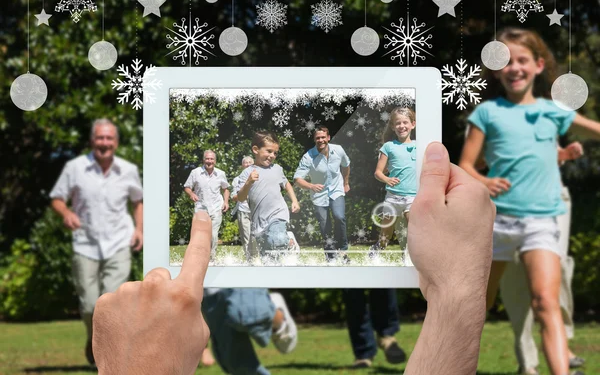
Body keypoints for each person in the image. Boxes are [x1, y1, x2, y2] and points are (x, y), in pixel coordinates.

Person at [92, 142, 496, 375]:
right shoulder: (227, 175)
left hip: (266, 223)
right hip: (228, 230)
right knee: (228, 331)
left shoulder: (281, 167)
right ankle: (270, 310)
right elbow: (245, 195)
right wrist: (455, 294)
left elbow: (287, 184)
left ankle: (272, 308)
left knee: (241, 288)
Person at [459, 27, 600, 375]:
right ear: (495, 69)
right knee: (480, 304)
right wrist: (483, 179)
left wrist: (562, 155)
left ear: (538, 66)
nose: (514, 68)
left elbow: (590, 131)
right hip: (498, 224)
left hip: (542, 222)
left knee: (546, 303)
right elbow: (464, 166)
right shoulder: (487, 114)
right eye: (505, 61)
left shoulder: (554, 111)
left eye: (522, 60)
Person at [49, 118, 143, 366]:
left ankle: (108, 356)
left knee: (110, 303)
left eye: (109, 138)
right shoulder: (75, 167)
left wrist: (140, 230)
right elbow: (57, 198)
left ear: (116, 142)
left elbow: (138, 201)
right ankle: (93, 338)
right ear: (92, 141)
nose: (104, 143)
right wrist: (66, 213)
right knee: (90, 304)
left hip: (119, 242)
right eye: (100, 138)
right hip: (85, 243)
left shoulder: (128, 170)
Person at [500, 142, 585, 375]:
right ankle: (528, 362)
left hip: (551, 198)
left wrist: (563, 154)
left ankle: (562, 347)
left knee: (556, 270)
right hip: (509, 200)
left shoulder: (543, 113)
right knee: (516, 278)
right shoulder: (491, 115)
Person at [237, 131, 300, 262]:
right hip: (259, 221)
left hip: (278, 214)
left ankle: (287, 240)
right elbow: (241, 198)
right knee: (268, 259)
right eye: (269, 151)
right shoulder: (247, 173)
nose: (272, 155)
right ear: (255, 149)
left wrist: (294, 200)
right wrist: (249, 182)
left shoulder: (277, 169)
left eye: (275, 153)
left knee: (276, 239)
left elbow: (286, 184)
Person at [202, 288, 298, 374]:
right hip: (209, 293)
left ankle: (278, 320)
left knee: (250, 313)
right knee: (237, 365)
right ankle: (268, 307)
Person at [293, 126, 351, 262]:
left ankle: (342, 251)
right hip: (319, 195)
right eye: (318, 138)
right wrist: (311, 186)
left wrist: (346, 183)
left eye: (323, 137)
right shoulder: (309, 157)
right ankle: (330, 256)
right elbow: (297, 179)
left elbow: (346, 165)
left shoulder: (338, 150)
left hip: (336, 190)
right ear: (314, 139)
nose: (321, 140)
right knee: (325, 226)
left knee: (339, 216)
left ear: (328, 138)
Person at [370, 107, 417, 263]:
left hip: (413, 197)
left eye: (405, 122)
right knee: (386, 236)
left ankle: (408, 258)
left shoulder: (420, 146)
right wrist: (387, 179)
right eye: (398, 123)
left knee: (414, 230)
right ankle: (377, 248)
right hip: (393, 197)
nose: (401, 126)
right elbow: (378, 172)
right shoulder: (389, 146)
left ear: (413, 124)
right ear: (392, 126)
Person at [183, 150, 230, 261]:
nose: (209, 161)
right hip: (201, 208)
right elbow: (187, 187)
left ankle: (211, 258)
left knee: (213, 235)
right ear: (203, 160)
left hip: (216, 207)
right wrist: (191, 194)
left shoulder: (221, 173)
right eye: (207, 159)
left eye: (212, 159)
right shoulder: (195, 172)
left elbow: (226, 189)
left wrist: (226, 202)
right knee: (199, 234)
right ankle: (198, 258)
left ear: (215, 161)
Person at [231, 156, 260, 263]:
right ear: (242, 165)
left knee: (257, 236)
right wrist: (242, 194)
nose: (247, 164)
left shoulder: (259, 177)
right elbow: (234, 196)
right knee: (246, 238)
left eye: (250, 162)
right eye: (245, 163)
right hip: (243, 210)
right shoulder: (237, 179)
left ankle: (258, 258)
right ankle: (250, 260)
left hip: (257, 210)